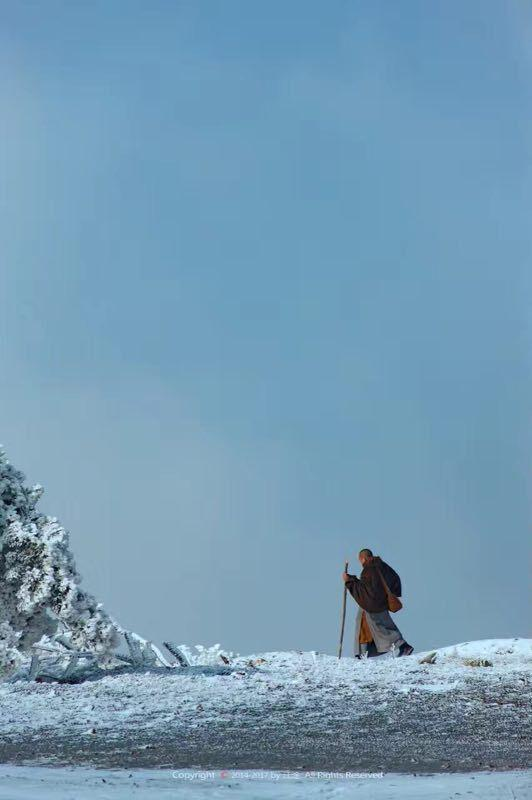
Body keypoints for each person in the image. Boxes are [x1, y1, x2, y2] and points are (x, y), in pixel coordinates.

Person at [342, 549, 414, 658]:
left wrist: (349, 581)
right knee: (364, 624)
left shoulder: (368, 569)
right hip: (380, 603)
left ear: (363, 559)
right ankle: (362, 653)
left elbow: (365, 590)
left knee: (381, 629)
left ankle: (403, 646)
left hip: (373, 605)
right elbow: (395, 578)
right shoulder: (382, 565)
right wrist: (391, 594)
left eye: (360, 560)